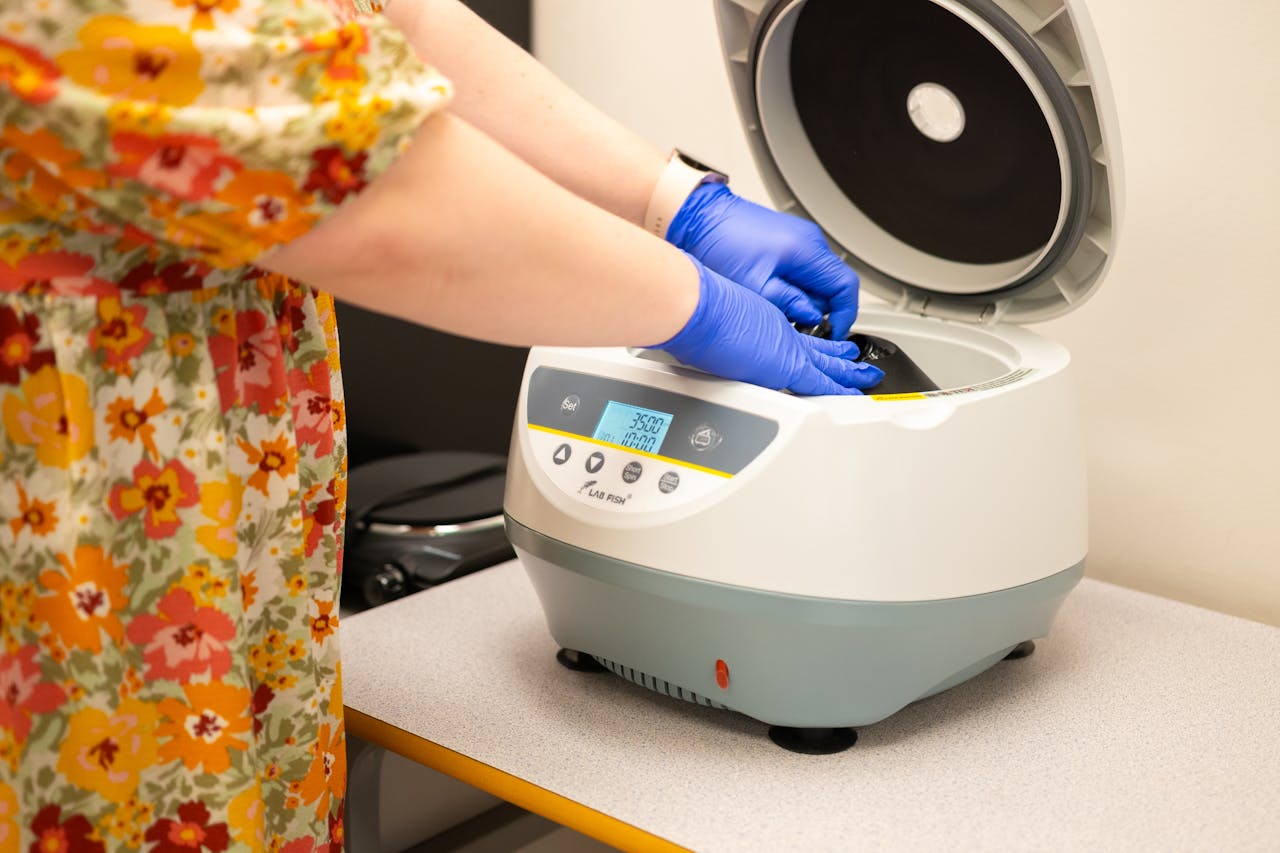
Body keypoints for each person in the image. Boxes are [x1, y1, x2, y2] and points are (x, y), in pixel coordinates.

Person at [0, 0, 881, 849]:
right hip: (79, 484)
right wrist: (690, 302)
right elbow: (369, 183)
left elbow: (380, 18)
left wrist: (676, 203)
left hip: (227, 502)